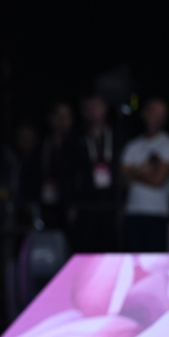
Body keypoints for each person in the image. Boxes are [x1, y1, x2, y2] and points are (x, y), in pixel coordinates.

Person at [63, 95, 122, 252]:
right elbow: (67, 174)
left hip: (111, 206)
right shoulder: (74, 139)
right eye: (89, 107)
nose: (93, 111)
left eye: (97, 107)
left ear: (105, 108)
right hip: (85, 207)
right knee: (85, 252)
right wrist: (70, 204)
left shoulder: (116, 136)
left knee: (110, 253)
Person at [121, 98, 169, 252]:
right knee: (134, 261)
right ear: (144, 114)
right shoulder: (133, 146)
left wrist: (133, 172)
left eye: (162, 114)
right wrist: (143, 172)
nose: (157, 117)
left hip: (158, 213)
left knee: (157, 261)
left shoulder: (168, 144)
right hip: (133, 211)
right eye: (154, 112)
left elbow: (158, 180)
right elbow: (121, 178)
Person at [37, 101, 73, 229]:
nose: (62, 121)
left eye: (66, 116)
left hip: (67, 206)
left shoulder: (76, 145)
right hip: (46, 203)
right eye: (59, 116)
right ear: (51, 119)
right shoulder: (42, 144)